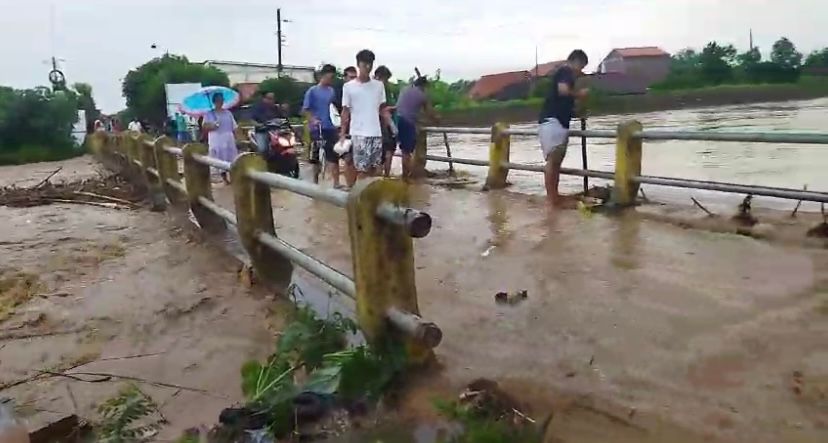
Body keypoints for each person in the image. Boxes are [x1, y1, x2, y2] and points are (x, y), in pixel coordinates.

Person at [538, 49, 589, 206]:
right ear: (576, 61)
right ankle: (552, 198)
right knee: (554, 161)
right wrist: (580, 94)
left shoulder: (563, 73)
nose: (580, 71)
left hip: (555, 122)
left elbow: (563, 100)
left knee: (556, 161)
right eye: (581, 67)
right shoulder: (565, 71)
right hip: (553, 123)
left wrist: (576, 112)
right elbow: (563, 90)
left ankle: (554, 196)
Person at [340, 50, 393, 182]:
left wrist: (392, 127)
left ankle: (370, 198)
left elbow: (382, 109)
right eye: (365, 64)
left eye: (370, 64)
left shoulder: (379, 86)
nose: (368, 67)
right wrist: (342, 134)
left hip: (376, 133)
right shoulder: (348, 87)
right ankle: (357, 196)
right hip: (358, 133)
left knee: (375, 169)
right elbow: (345, 111)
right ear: (358, 64)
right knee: (361, 169)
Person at [303, 64, 341, 187]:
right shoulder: (312, 91)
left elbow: (334, 109)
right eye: (330, 76)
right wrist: (313, 120)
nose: (331, 79)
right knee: (316, 157)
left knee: (334, 155)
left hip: (331, 128)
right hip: (317, 129)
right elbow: (306, 109)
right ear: (322, 76)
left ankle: (336, 183)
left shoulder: (332, 91)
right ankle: (315, 182)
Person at [396, 76, 438, 178]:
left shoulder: (405, 89)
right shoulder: (421, 95)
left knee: (404, 151)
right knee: (407, 152)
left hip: (398, 120)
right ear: (424, 86)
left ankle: (407, 174)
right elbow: (429, 112)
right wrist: (437, 121)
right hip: (408, 122)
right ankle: (410, 175)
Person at [202, 93, 238, 184]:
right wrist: (213, 125)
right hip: (216, 138)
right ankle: (224, 178)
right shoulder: (209, 114)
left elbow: (234, 126)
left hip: (228, 137)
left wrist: (237, 137)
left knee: (231, 157)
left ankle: (233, 177)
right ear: (214, 102)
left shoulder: (228, 113)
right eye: (218, 100)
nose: (220, 102)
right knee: (220, 158)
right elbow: (205, 126)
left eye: (221, 100)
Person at [373, 65, 398, 177]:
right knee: (381, 152)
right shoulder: (375, 89)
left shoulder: (387, 90)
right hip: (379, 125)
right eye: (385, 79)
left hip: (387, 125)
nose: (386, 81)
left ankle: (385, 176)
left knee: (388, 151)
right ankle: (381, 176)